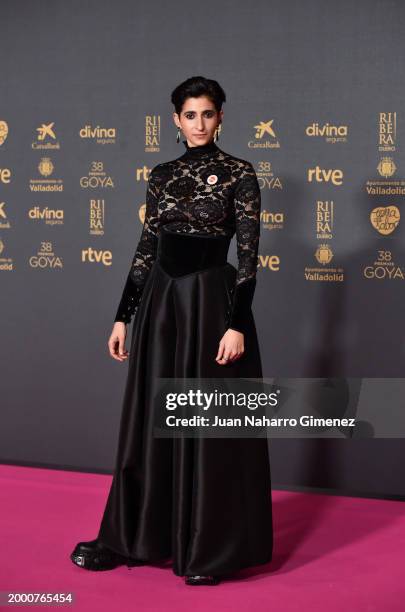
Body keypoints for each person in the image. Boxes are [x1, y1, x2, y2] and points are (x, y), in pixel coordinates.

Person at [70, 76, 273, 586]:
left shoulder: (239, 174)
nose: (199, 123)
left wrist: (237, 325)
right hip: (162, 305)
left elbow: (248, 259)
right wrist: (124, 316)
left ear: (221, 116)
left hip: (211, 305)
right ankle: (130, 537)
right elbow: (146, 249)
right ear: (175, 119)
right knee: (148, 419)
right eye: (190, 114)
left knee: (206, 427)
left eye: (208, 113)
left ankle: (209, 549)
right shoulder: (161, 175)